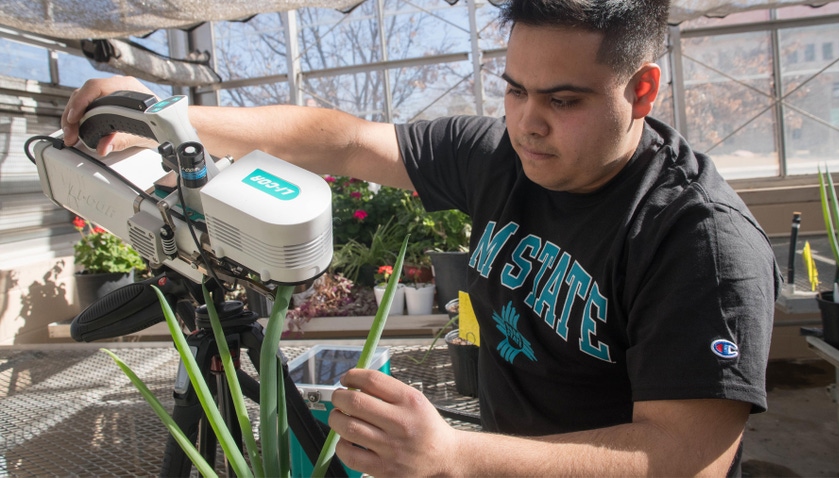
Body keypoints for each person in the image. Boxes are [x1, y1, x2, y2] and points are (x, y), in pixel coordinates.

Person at [62, 0, 781, 475]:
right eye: (514, 88)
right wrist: (170, 119)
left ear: (644, 90)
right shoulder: (503, 157)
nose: (528, 122)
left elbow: (687, 458)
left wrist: (453, 453)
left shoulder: (701, 244)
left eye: (563, 100)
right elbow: (340, 140)